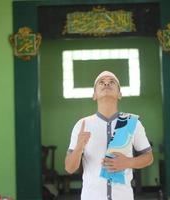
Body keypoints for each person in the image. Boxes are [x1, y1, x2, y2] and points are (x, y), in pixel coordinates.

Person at [65, 71, 153, 200]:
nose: (106, 83)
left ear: (120, 94)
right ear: (94, 95)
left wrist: (128, 162)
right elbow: (69, 168)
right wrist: (78, 148)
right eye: (101, 82)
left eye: (112, 82)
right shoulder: (83, 124)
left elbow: (149, 158)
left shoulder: (132, 123)